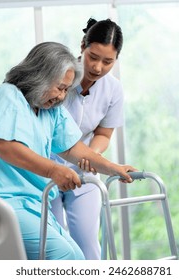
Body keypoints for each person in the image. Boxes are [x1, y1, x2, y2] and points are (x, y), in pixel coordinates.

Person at [0, 41, 136, 260]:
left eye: (67, 90)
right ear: (40, 76)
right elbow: (2, 145)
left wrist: (114, 168)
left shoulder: (51, 111)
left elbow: (73, 149)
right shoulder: (6, 95)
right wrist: (53, 171)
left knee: (79, 258)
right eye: (60, 88)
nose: (62, 96)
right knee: (65, 258)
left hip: (30, 205)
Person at [50, 18, 125, 260]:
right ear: (82, 46)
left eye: (108, 61)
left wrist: (92, 155)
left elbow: (104, 133)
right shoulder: (57, 76)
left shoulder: (113, 89)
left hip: (84, 168)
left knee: (89, 248)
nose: (98, 67)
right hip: (45, 165)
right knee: (54, 245)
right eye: (93, 57)